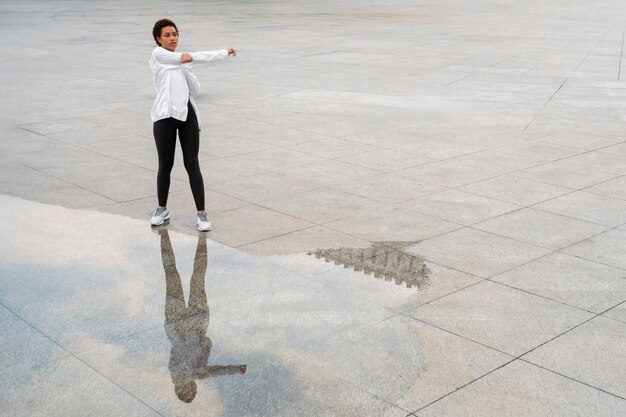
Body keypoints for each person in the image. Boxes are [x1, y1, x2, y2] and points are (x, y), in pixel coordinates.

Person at [149, 18, 236, 231]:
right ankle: (162, 209)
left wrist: (188, 69)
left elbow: (195, 91)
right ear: (158, 39)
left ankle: (202, 214)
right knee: (165, 164)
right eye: (167, 35)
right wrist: (223, 53)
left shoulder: (182, 61)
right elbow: (196, 56)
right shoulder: (158, 55)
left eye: (175, 34)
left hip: (187, 115)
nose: (172, 38)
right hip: (164, 116)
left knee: (192, 163)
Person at [159, 228, 247, 403]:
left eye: (188, 388)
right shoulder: (187, 373)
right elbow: (214, 371)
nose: (191, 385)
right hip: (182, 325)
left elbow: (212, 370)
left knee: (189, 276)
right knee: (176, 276)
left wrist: (236, 369)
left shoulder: (187, 373)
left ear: (184, 388)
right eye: (191, 388)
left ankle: (196, 239)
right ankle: (179, 237)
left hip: (185, 325)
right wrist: (234, 369)